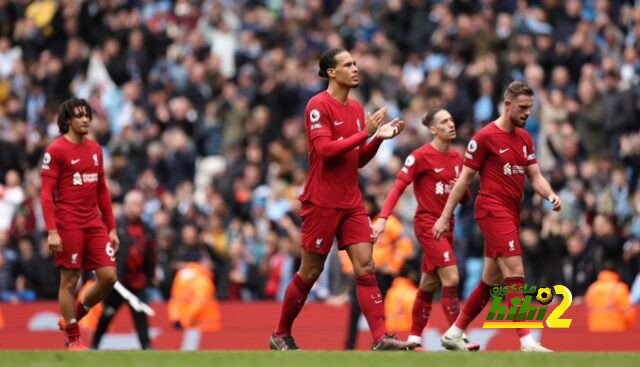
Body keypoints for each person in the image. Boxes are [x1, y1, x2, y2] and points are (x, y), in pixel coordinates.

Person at [269, 48, 415, 351]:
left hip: (351, 202)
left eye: (356, 63)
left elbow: (355, 159)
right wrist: (366, 133)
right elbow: (325, 151)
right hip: (321, 200)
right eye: (348, 64)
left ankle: (380, 338)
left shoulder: (357, 109)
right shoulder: (317, 105)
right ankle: (280, 333)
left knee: (366, 266)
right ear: (331, 72)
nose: (355, 68)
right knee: (310, 271)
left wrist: (377, 139)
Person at [433, 81, 561, 352]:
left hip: (511, 213)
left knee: (490, 281)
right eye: (523, 108)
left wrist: (549, 195)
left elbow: (535, 176)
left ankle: (455, 333)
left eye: (531, 108)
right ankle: (526, 340)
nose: (528, 113)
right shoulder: (484, 137)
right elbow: (463, 181)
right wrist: (445, 216)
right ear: (508, 105)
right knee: (515, 272)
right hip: (491, 210)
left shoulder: (525, 138)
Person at [372, 109, 479, 350]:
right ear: (432, 129)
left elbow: (466, 197)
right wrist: (382, 218)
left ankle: (413, 338)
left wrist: (459, 190)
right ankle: (456, 336)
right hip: (428, 225)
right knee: (451, 276)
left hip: (447, 226)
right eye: (444, 121)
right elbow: (398, 187)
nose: (451, 124)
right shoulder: (420, 156)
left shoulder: (456, 158)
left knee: (429, 284)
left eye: (451, 119)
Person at [40, 97, 119, 350]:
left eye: (88, 115)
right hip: (68, 224)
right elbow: (45, 194)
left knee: (109, 277)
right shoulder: (55, 151)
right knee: (70, 280)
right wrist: (52, 231)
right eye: (80, 115)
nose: (86, 119)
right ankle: (74, 338)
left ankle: (73, 316)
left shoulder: (95, 149)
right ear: (67, 121)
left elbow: (102, 191)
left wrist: (112, 227)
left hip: (94, 224)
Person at [92, 190, 155, 350]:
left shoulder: (147, 229)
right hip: (117, 282)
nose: (140, 208)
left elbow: (151, 253)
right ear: (128, 206)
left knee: (140, 315)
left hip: (137, 281)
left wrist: (150, 275)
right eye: (136, 204)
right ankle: (95, 343)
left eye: (141, 204)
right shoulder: (115, 226)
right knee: (108, 314)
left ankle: (146, 347)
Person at [585, 264, 636, 332]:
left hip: (595, 331)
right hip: (616, 331)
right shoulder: (620, 288)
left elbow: (587, 310)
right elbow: (629, 313)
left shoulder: (592, 288)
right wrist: (627, 328)